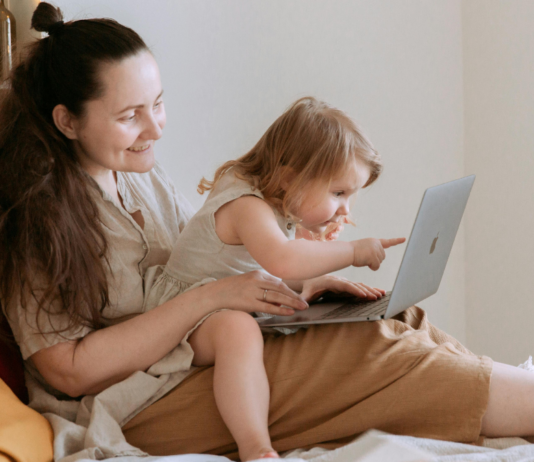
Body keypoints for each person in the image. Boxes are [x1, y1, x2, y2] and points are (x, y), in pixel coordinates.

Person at [0, 3, 533, 461]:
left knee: (390, 317)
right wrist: (211, 299)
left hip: (198, 354)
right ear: (67, 120)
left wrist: (295, 287)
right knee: (371, 352)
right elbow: (68, 373)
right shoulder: (37, 222)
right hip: (137, 402)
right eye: (130, 115)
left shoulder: (142, 176)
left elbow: (206, 266)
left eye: (158, 103)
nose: (156, 127)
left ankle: (514, 396)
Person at [143, 96, 405, 460]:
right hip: (181, 317)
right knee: (238, 330)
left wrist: (320, 277)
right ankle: (256, 447)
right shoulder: (246, 204)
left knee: (296, 315)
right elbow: (282, 260)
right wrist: (354, 252)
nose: (345, 208)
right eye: (339, 193)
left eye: (351, 195)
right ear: (289, 178)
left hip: (226, 300)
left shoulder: (275, 198)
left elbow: (276, 263)